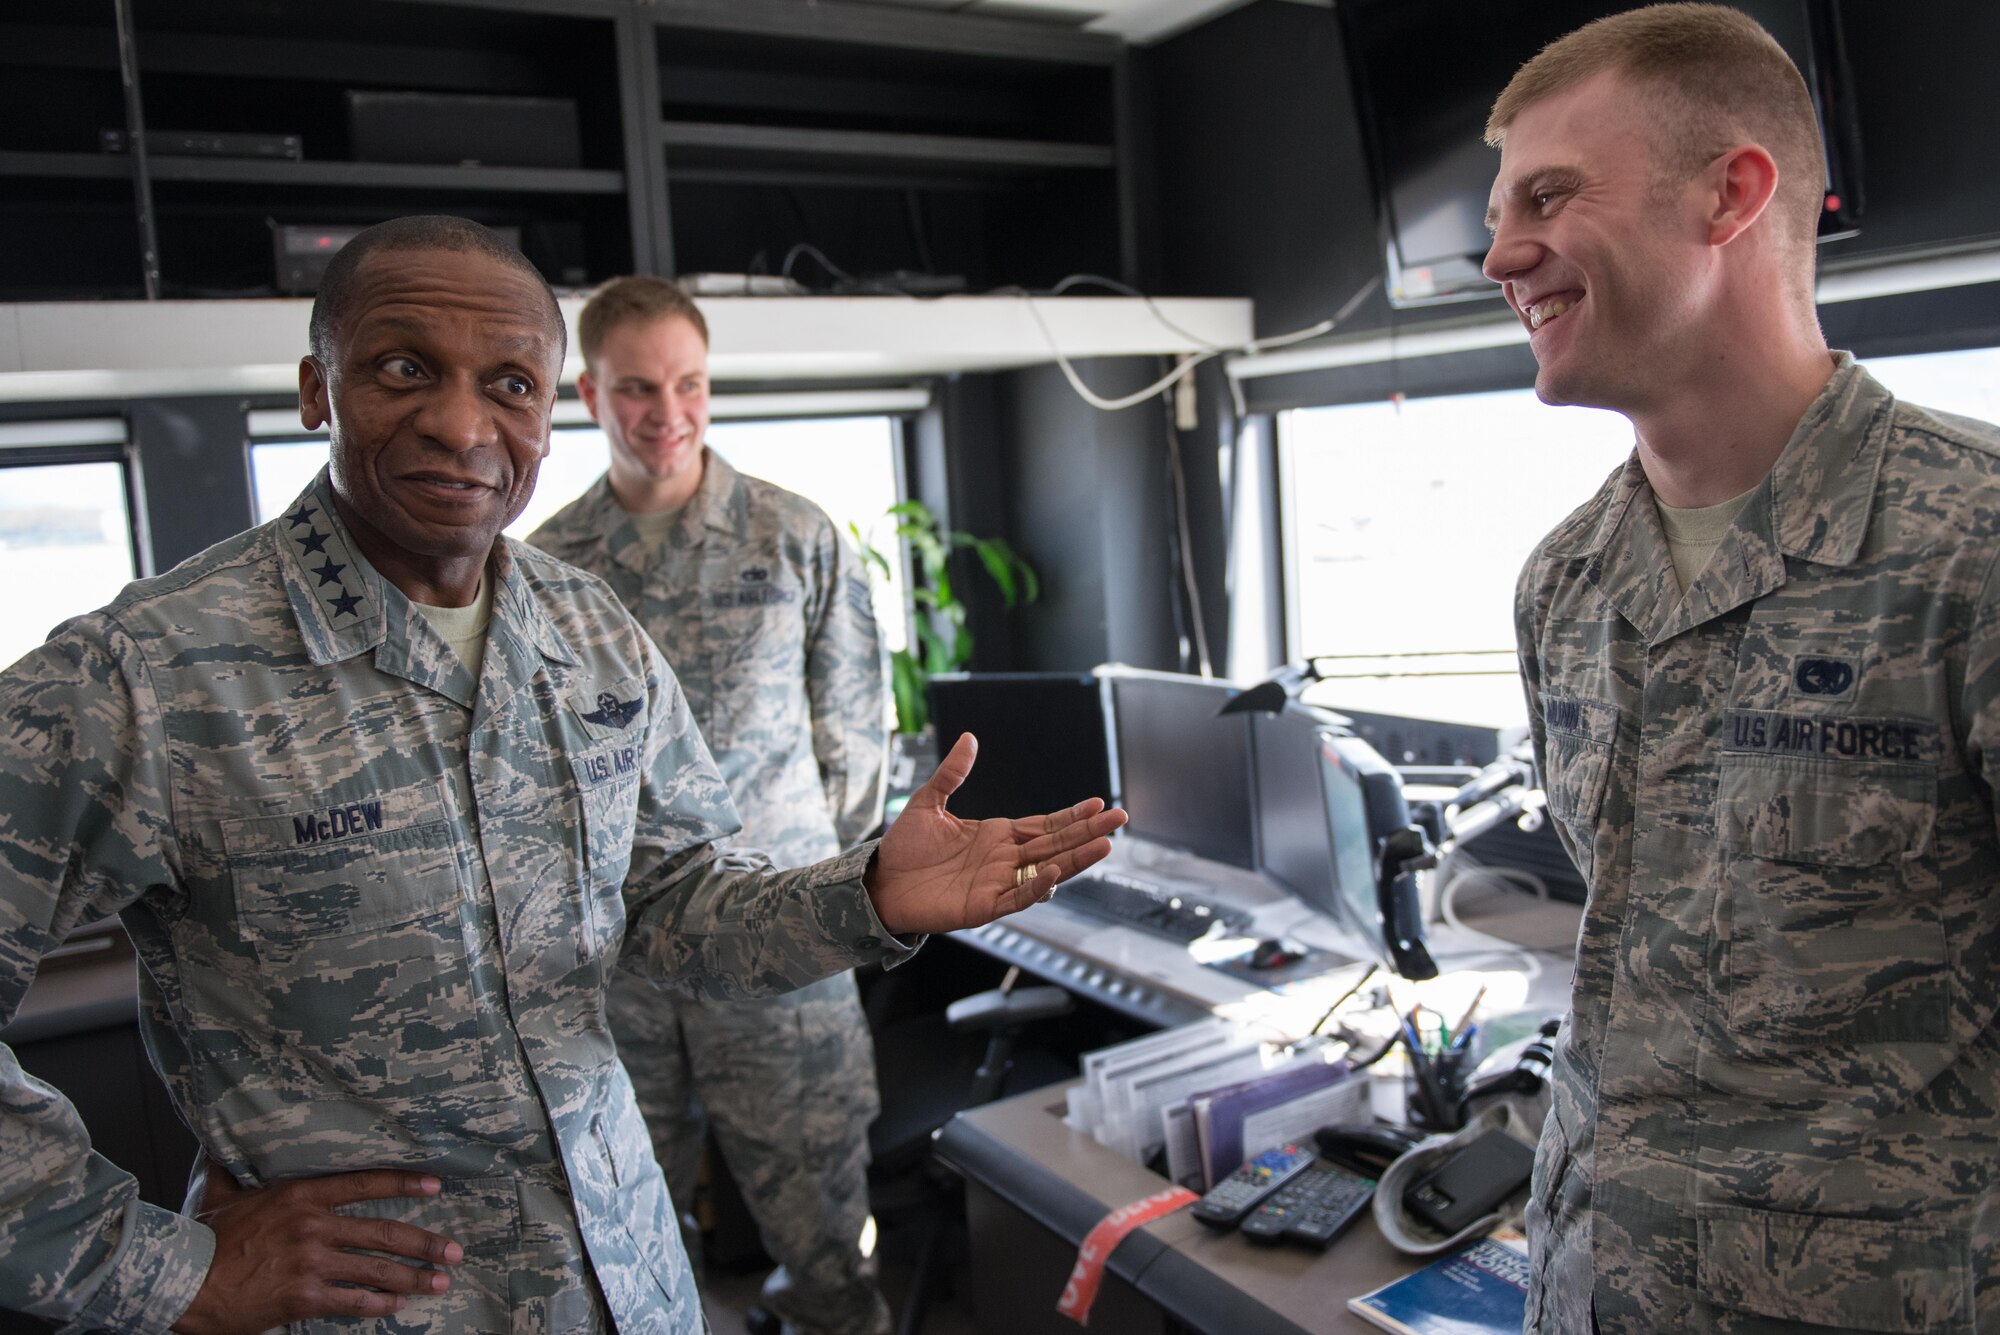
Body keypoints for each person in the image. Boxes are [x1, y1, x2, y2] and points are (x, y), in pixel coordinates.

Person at [0, 215, 1123, 1335]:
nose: (459, 424)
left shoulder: (587, 631)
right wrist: (156, 1267)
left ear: (546, 407)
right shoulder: (150, 675)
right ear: (315, 388)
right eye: (403, 370)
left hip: (632, 1285)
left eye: (507, 384)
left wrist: (865, 893)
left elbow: (675, 900)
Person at [1484, 6, 2000, 1332]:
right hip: (1595, 1284)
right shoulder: (1569, 579)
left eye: (1549, 193)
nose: (1501, 253)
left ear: (1732, 193)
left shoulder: (1971, 545)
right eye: (1499, 211)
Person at [528, 276, 892, 1335]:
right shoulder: (546, 567)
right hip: (616, 962)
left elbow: (853, 750)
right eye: (637, 389)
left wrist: (828, 896)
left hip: (783, 944)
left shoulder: (794, 536)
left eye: (689, 383)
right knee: (626, 1240)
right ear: (589, 393)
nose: (668, 413)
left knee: (826, 1238)